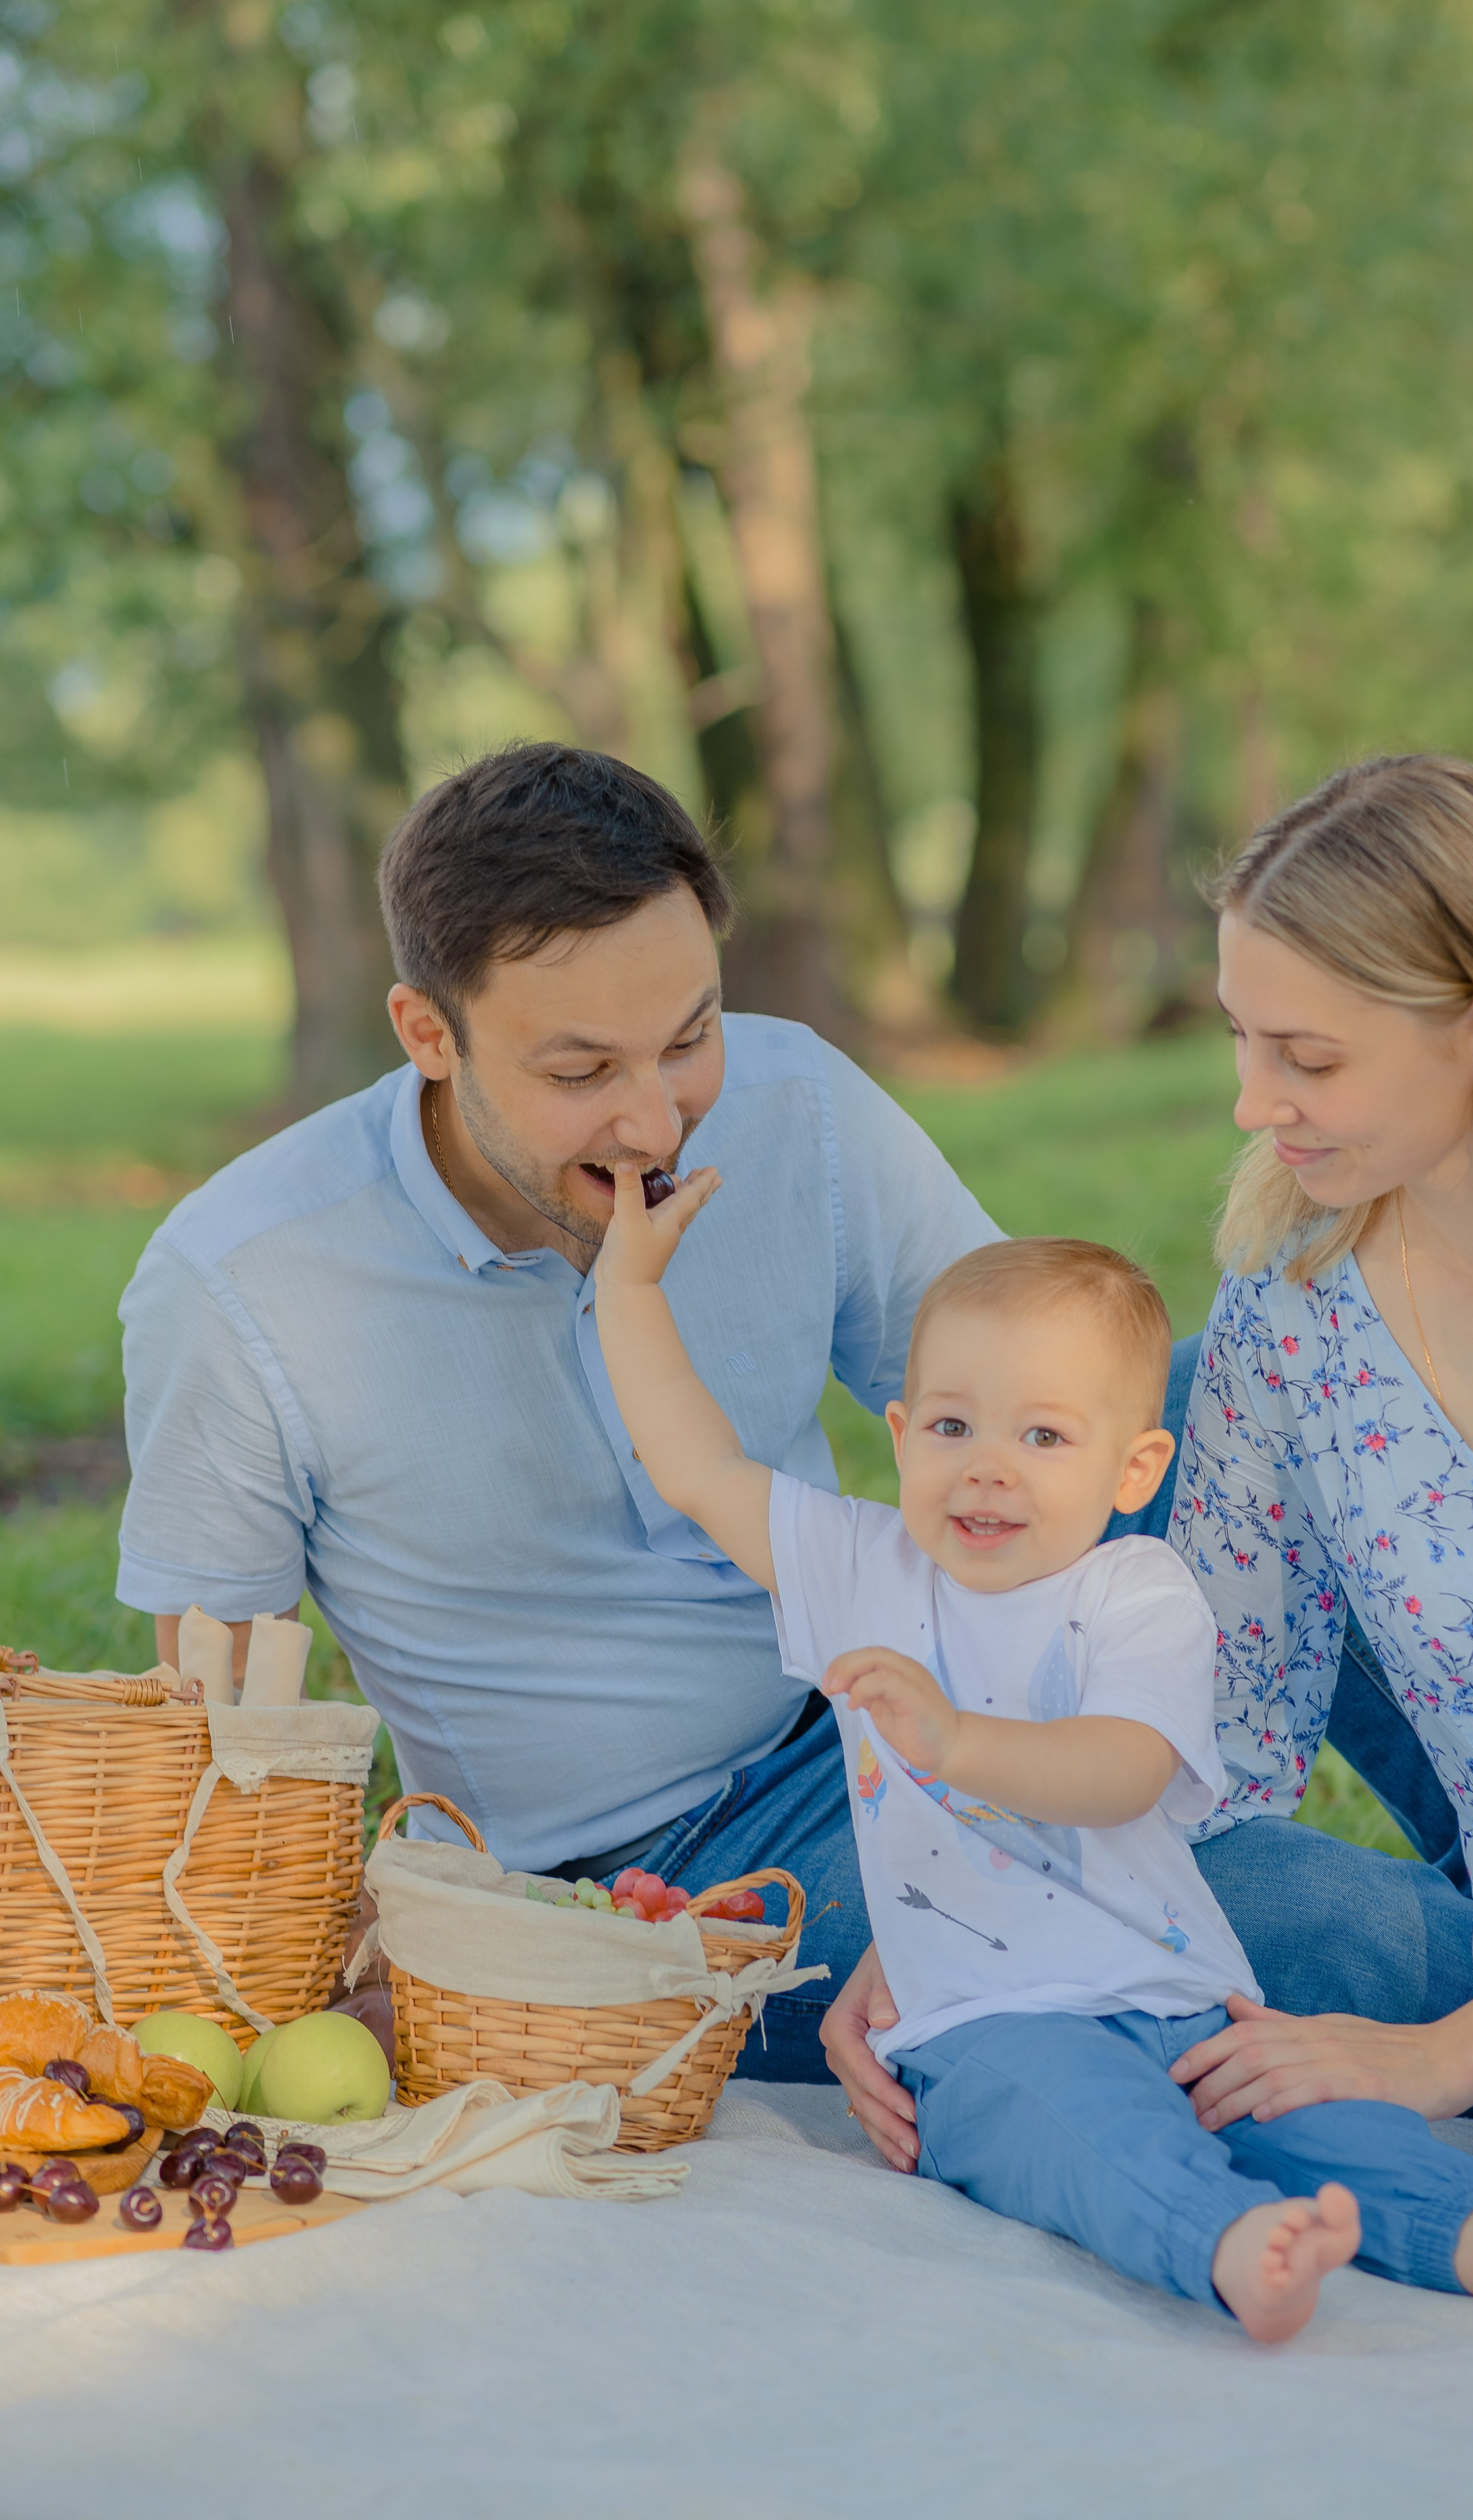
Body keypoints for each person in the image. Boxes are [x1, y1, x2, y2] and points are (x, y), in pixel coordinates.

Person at [591, 1193, 1473, 2339]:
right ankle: (1223, 2241)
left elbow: (1120, 1773)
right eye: (953, 1429)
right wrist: (628, 1289)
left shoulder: (1140, 1590)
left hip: (1182, 1993)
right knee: (1081, 2129)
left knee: (1335, 2125)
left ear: (1135, 1467)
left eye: (1044, 1437)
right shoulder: (863, 1569)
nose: (989, 1472)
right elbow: (696, 1466)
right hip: (982, 2021)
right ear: (902, 1436)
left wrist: (955, 1745)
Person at [116, 744, 1001, 2078]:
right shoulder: (241, 1280)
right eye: (581, 1070)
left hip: (901, 1704)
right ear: (427, 1033)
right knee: (1306, 1934)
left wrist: (1033, 1708)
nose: (658, 1120)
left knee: (1217, 1397)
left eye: (689, 1035)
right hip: (652, 1880)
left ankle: (1417, 1811)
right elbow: (211, 1733)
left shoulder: (798, 1104)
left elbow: (1029, 1399)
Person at [1159, 752, 1473, 2196]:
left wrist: (1445, 2057)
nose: (1252, 1103)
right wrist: (970, 1919)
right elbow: (1212, 1728)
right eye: (1241, 1041)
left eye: (1307, 1057)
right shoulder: (1288, 1321)